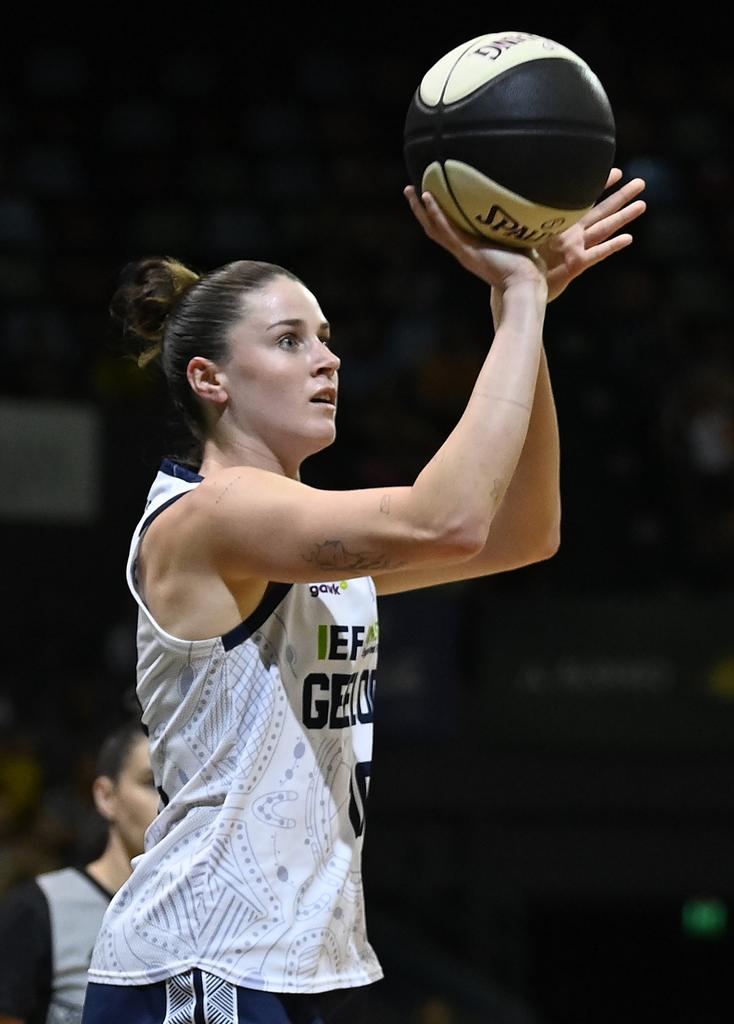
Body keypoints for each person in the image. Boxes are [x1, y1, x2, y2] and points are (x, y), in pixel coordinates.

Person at [82, 170, 646, 1024]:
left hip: (288, 960)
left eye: (327, 336)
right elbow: (450, 519)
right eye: (290, 341)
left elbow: (523, 532)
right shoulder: (216, 515)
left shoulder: (299, 537)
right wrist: (523, 295)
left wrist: (518, 326)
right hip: (204, 961)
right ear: (210, 379)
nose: (328, 358)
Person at [0, 720, 157, 1024]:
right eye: (151, 782)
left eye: (179, 784)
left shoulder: (200, 915)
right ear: (106, 796)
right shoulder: (39, 908)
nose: (167, 801)